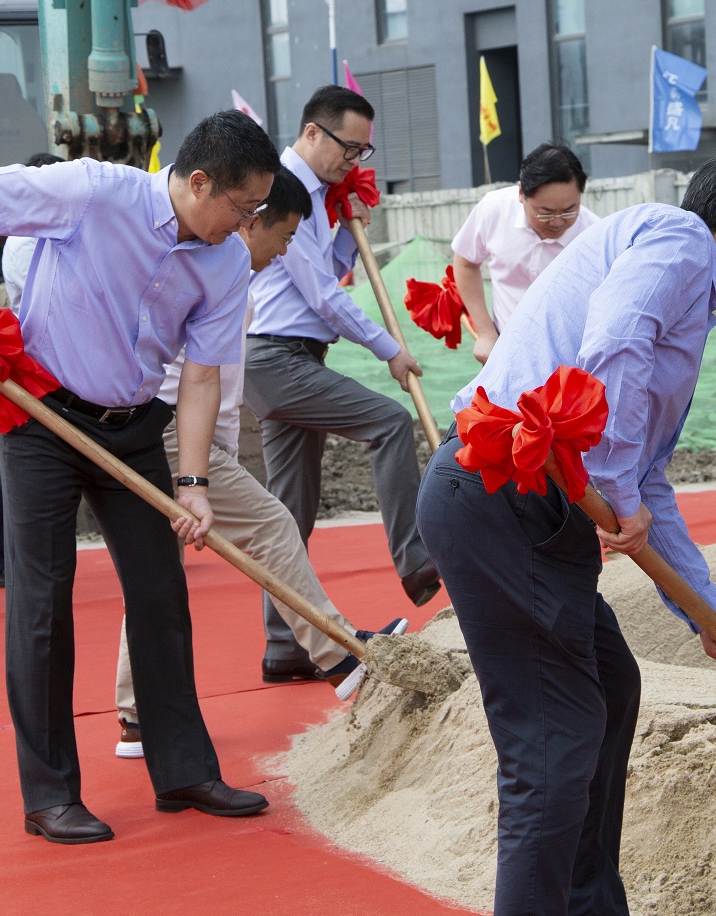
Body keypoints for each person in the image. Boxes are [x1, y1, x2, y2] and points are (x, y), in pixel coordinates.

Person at [416, 151, 716, 916]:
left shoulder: (689, 295)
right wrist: (615, 485)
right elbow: (612, 345)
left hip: (541, 505)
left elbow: (649, 482)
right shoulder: (673, 242)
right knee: (553, 733)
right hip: (498, 493)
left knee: (611, 686)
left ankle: (585, 910)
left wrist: (705, 611)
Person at [0, 110, 283, 844]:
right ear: (200, 182)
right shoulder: (94, 192)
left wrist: (193, 484)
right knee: (44, 602)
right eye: (242, 209)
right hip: (43, 419)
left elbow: (203, 377)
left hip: (134, 423)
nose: (247, 226)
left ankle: (182, 769)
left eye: (258, 213)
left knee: (160, 591)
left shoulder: (223, 263)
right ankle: (49, 792)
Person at [110, 167, 407, 760]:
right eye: (288, 235)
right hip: (169, 434)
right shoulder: (211, 269)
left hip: (175, 436)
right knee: (272, 525)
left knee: (154, 576)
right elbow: (196, 377)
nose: (288, 249)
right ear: (251, 221)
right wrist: (203, 469)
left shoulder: (226, 271)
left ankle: (137, 713)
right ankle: (339, 656)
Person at [245, 85, 441, 684]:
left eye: (361, 152)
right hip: (274, 357)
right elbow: (323, 296)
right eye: (346, 148)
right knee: (388, 421)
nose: (351, 161)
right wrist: (391, 350)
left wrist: (342, 219)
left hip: (290, 355)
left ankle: (285, 646)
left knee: (288, 512)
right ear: (312, 133)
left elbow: (324, 272)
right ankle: (415, 560)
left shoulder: (318, 196)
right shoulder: (284, 189)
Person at [0, 152, 67, 591]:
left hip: (41, 366)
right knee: (26, 461)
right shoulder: (29, 241)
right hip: (36, 367)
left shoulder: (35, 236)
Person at [451, 142, 600, 364]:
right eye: (545, 212)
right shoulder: (495, 209)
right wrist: (485, 333)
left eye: (570, 210)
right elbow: (465, 263)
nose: (557, 222)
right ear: (522, 193)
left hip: (568, 359)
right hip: (505, 347)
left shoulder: (595, 235)